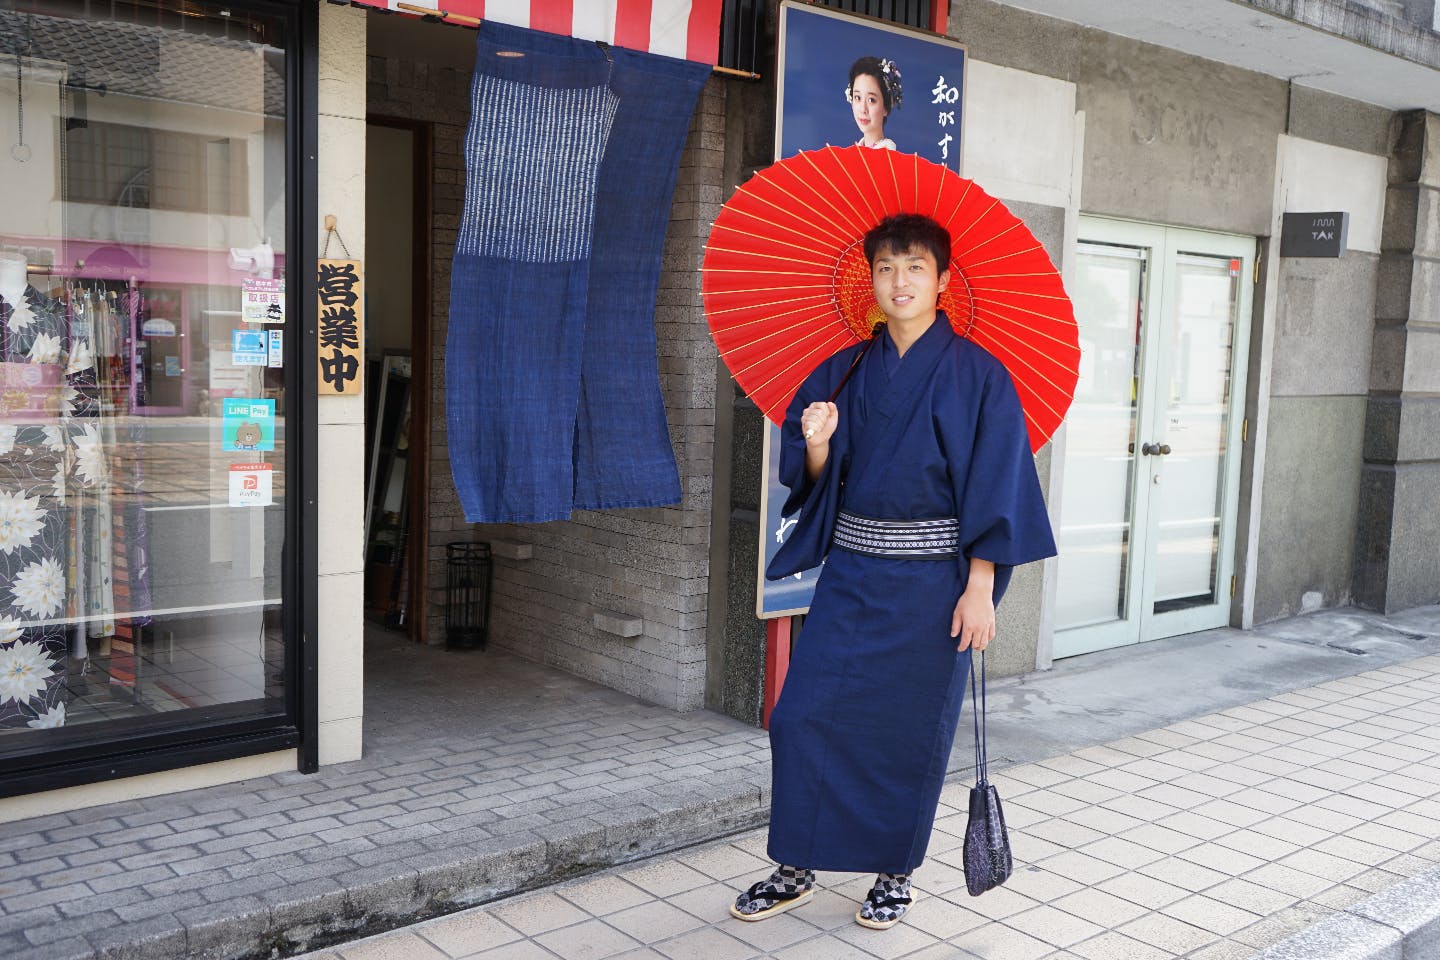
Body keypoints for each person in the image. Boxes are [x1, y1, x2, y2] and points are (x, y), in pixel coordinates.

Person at [730, 213, 1056, 930]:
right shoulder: (844, 368)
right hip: (851, 574)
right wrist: (816, 445)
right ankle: (796, 862)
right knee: (804, 717)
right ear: (868, 280)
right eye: (884, 268)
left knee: (907, 732)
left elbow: (998, 486)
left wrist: (980, 587)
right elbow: (815, 478)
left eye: (914, 268)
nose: (898, 281)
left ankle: (892, 873)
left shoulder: (980, 376)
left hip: (933, 587)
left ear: (943, 281)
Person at [847, 56, 902, 151]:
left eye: (871, 100)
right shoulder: (851, 156)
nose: (863, 109)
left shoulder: (890, 160)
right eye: (857, 97)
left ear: (886, 106)